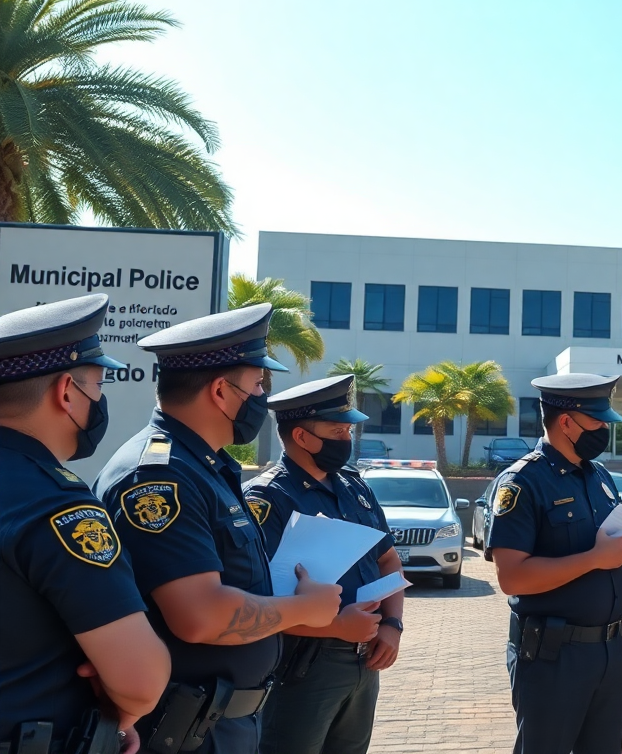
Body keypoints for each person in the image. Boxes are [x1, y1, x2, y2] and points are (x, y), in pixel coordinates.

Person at [94, 304, 343, 754]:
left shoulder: (203, 466)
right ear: (220, 391)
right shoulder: (159, 476)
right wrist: (304, 608)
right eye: (257, 384)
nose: (264, 397)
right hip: (183, 730)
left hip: (218, 724)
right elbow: (199, 616)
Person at [0, 295, 170, 754]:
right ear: (67, 392)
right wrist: (122, 705)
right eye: (97, 385)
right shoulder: (55, 504)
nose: (99, 399)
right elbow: (141, 681)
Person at [485, 373, 622, 754]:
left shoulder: (600, 476)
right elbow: (511, 577)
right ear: (566, 421)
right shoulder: (523, 482)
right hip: (553, 655)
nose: (604, 429)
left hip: (608, 651)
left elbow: (614, 544)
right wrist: (594, 560)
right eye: (597, 422)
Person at [244, 375, 405, 754]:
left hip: (365, 659)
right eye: (337, 431)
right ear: (301, 436)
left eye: (348, 430)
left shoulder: (354, 486)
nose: (346, 439)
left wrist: (394, 625)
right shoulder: (267, 498)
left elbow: (387, 559)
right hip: (302, 665)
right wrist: (337, 626)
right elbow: (252, 600)